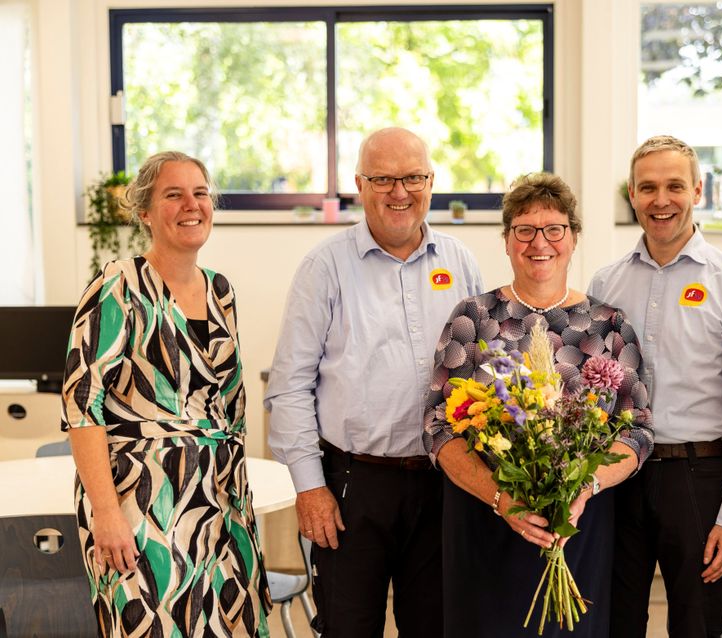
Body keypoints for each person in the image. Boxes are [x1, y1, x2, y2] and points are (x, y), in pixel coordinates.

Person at [265, 127, 484, 638]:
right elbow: (290, 386)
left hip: (441, 483)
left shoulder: (460, 262)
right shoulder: (325, 268)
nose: (399, 192)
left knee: (434, 627)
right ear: (360, 185)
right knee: (348, 627)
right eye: (383, 178)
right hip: (350, 489)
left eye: (412, 177)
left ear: (431, 181)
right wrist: (310, 488)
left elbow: (480, 371)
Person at [424, 172, 654, 638]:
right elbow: (437, 426)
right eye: (524, 230)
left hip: (578, 523)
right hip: (485, 518)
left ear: (573, 239)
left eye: (554, 229)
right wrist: (499, 496)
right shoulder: (474, 318)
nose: (539, 242)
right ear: (507, 242)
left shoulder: (608, 324)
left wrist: (584, 486)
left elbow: (638, 430)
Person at [61, 151, 271, 636]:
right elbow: (81, 404)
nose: (190, 205)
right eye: (173, 195)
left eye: (199, 193)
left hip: (221, 504)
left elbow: (227, 405)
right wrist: (107, 513)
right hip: (140, 505)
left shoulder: (221, 291)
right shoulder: (117, 286)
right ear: (145, 212)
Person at [588, 136, 722, 637]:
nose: (660, 200)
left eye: (674, 186)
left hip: (699, 478)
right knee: (613, 621)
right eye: (647, 187)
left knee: (699, 625)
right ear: (632, 194)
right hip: (618, 477)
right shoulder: (606, 283)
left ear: (697, 190)